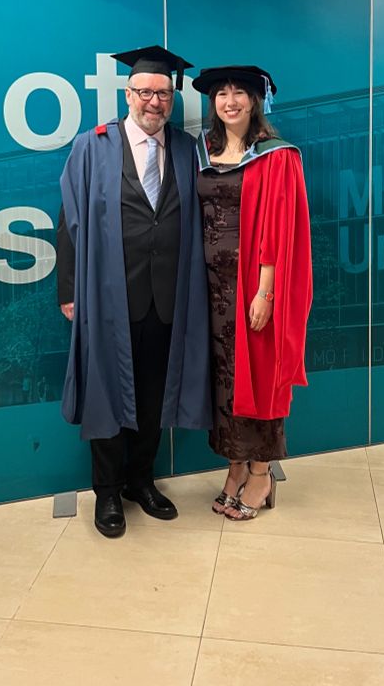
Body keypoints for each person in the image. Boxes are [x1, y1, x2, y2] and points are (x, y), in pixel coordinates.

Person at [57, 46, 211, 538]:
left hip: (168, 298)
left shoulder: (187, 149)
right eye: (144, 92)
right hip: (109, 298)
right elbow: (69, 220)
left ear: (172, 99)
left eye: (163, 94)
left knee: (153, 395)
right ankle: (107, 491)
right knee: (106, 393)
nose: (154, 102)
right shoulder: (93, 146)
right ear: (128, 94)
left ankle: (140, 481)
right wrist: (68, 291)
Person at [192, 65, 312, 521]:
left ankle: (261, 473)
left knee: (260, 376)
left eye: (239, 93)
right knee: (226, 382)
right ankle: (235, 466)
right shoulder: (204, 151)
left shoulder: (275, 155)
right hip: (212, 290)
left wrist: (266, 292)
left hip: (252, 289)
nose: (230, 101)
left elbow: (279, 230)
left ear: (255, 101)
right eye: (221, 94)